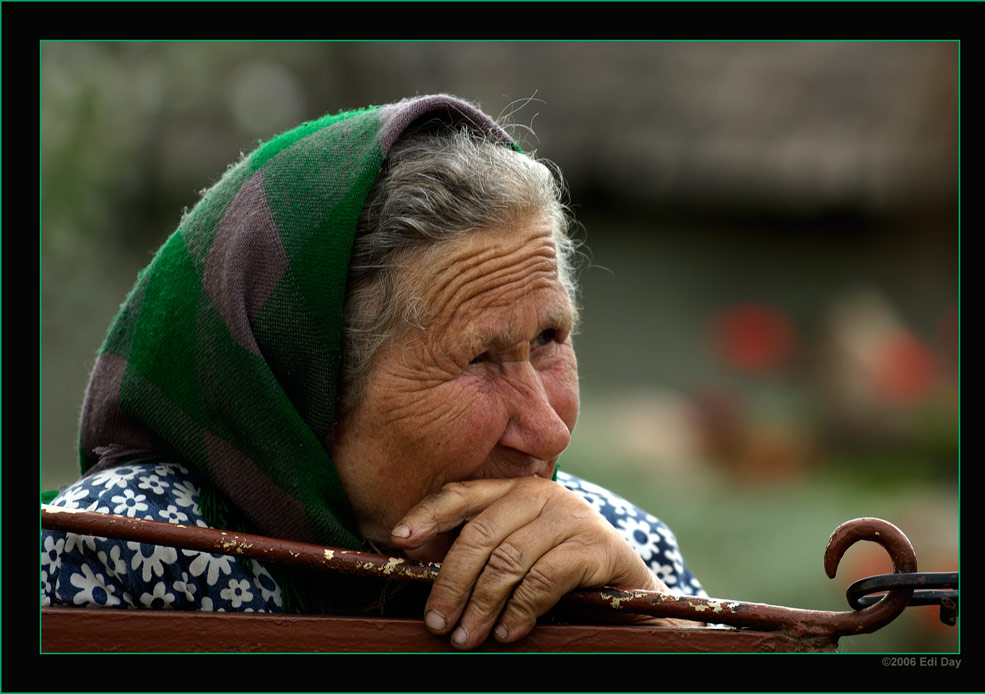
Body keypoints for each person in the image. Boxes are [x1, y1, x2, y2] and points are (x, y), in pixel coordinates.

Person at [41, 94, 707, 649]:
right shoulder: (113, 554)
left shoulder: (617, 550)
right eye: (479, 359)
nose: (549, 431)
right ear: (304, 389)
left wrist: (651, 626)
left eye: (550, 338)